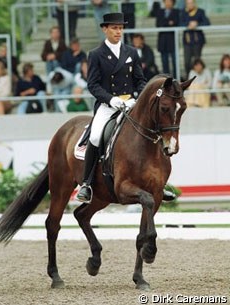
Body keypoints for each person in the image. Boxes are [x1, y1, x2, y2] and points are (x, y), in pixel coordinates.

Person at [76, 12, 175, 203]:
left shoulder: (131, 52)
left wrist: (137, 98)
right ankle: (86, 184)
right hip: (108, 106)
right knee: (96, 135)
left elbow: (139, 81)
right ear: (105, 29)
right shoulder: (96, 54)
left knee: (153, 131)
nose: (118, 32)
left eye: (120, 28)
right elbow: (93, 85)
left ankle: (160, 183)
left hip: (130, 104)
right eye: (114, 28)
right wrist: (111, 99)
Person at [179, 0, 210, 78]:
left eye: (191, 3)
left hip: (198, 41)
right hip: (187, 41)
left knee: (197, 61)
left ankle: (198, 77)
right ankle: (188, 77)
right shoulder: (183, 12)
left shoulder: (200, 11)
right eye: (188, 3)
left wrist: (197, 24)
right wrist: (188, 24)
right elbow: (179, 23)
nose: (190, 4)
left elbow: (207, 22)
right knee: (187, 61)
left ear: (194, 3)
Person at [156, 0, 179, 78]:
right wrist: (169, 23)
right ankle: (166, 80)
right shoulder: (159, 12)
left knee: (175, 62)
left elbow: (176, 22)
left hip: (172, 41)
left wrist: (165, 23)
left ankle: (175, 79)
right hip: (163, 42)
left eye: (170, 1)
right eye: (166, 1)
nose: (168, 3)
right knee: (164, 63)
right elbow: (158, 24)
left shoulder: (176, 11)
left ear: (173, 3)